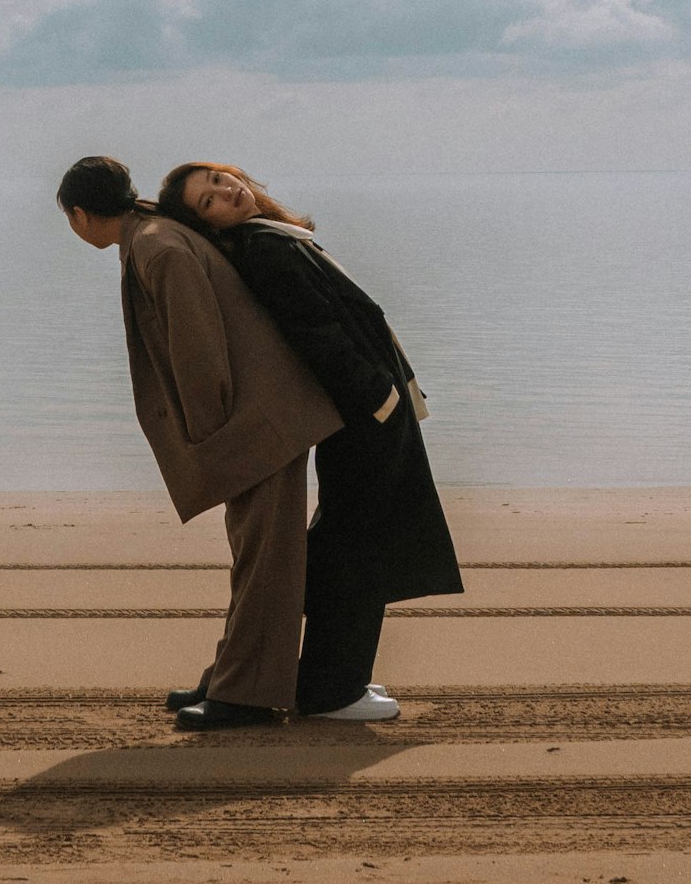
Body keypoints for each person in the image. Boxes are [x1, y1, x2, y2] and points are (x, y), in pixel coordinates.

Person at [155, 161, 463, 722]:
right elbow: (315, 332)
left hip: (361, 412)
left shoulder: (272, 237)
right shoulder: (265, 249)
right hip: (365, 414)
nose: (227, 192)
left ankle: (290, 675)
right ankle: (331, 690)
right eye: (208, 201)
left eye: (221, 180)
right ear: (209, 225)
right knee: (360, 548)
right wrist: (379, 398)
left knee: (345, 544)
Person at [55, 155, 352, 732]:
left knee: (267, 559)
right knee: (256, 554)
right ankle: (233, 676)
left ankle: (249, 696)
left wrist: (212, 437)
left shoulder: (157, 245)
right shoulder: (152, 232)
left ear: (80, 215)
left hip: (256, 422)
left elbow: (198, 346)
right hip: (263, 411)